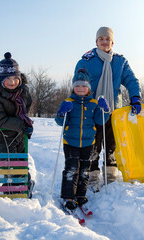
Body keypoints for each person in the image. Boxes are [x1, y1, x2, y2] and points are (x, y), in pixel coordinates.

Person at [74, 26, 142, 191]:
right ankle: (92, 176)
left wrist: (135, 97)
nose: (104, 42)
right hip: (92, 110)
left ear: (112, 42)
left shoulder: (120, 61)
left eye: (107, 39)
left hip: (113, 111)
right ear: (96, 42)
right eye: (101, 39)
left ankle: (111, 176)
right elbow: (78, 83)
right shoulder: (86, 61)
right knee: (93, 144)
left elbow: (131, 80)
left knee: (112, 144)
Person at [55, 68, 110, 211]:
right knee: (72, 169)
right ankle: (68, 196)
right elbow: (60, 122)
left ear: (89, 88)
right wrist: (61, 113)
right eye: (77, 86)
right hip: (71, 142)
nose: (80, 88)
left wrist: (105, 109)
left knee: (85, 170)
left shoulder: (93, 103)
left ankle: (80, 195)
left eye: (84, 86)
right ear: (73, 88)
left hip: (88, 142)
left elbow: (100, 121)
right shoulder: (68, 102)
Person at [0, 52, 35, 198]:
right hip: (1, 134)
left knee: (19, 161)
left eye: (15, 78)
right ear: (1, 80)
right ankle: (14, 187)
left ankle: (22, 185)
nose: (12, 82)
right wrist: (22, 124)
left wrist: (25, 123)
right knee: (8, 164)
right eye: (8, 79)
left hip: (19, 133)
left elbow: (27, 105)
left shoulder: (23, 91)